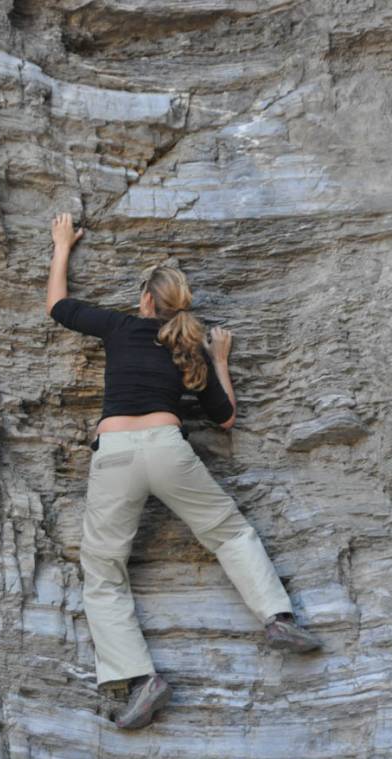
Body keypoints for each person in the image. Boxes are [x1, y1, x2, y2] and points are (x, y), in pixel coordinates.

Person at [46, 212, 323, 731]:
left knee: (104, 571)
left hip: (117, 454)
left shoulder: (120, 325)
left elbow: (58, 307)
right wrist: (219, 359)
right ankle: (277, 620)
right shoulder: (187, 347)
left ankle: (139, 679)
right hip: (169, 449)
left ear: (146, 300)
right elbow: (226, 418)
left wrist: (63, 244)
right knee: (229, 533)